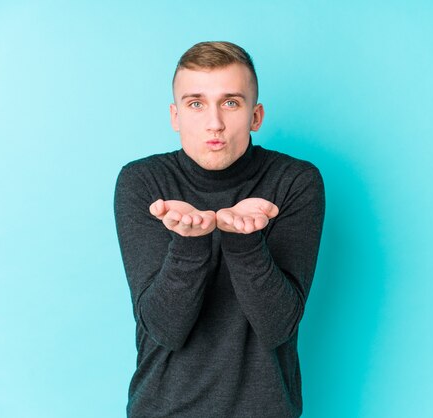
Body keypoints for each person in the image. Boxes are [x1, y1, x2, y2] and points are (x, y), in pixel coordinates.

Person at [114, 41, 325, 418]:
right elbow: (165, 329)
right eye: (196, 103)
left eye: (231, 102)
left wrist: (244, 241)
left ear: (255, 116)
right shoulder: (143, 182)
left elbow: (277, 326)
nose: (215, 123)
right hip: (162, 409)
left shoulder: (294, 181)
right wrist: (189, 243)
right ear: (175, 116)